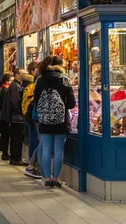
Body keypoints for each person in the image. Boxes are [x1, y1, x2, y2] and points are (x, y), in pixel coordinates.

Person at [35, 56, 76, 188]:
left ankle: (47, 178)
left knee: (46, 148)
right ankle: (56, 178)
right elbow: (71, 104)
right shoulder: (63, 79)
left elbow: (35, 100)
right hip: (60, 120)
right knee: (59, 150)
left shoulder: (40, 80)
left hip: (44, 120)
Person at [0, 69, 25, 163]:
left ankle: (15, 157)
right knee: (16, 139)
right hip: (16, 118)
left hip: (14, 117)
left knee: (15, 138)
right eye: (23, 74)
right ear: (17, 75)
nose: (24, 76)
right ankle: (15, 158)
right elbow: (15, 103)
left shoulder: (15, 85)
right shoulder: (15, 86)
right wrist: (23, 111)